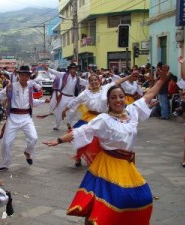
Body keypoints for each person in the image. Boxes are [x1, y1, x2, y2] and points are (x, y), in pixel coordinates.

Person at [43, 65, 170, 225]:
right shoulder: (104, 119)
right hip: (109, 163)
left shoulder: (131, 112)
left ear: (125, 98)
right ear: (108, 101)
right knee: (110, 200)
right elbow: (82, 131)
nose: (118, 100)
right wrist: (59, 140)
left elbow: (150, 94)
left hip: (127, 164)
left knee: (142, 198)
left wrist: (163, 79)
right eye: (114, 98)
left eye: (121, 97)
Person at [62, 72, 138, 167]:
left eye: (96, 80)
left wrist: (130, 76)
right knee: (83, 136)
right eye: (91, 80)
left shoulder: (106, 89)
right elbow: (75, 101)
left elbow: (118, 81)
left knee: (100, 140)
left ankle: (98, 158)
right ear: (89, 83)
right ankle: (78, 157)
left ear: (99, 81)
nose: (94, 82)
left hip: (103, 117)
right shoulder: (85, 93)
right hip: (89, 117)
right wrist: (64, 109)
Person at [0, 65, 50, 171]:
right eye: (22, 75)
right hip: (13, 117)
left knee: (34, 138)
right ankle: (5, 163)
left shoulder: (30, 87)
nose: (24, 78)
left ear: (29, 76)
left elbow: (31, 102)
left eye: (26, 75)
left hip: (26, 117)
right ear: (19, 75)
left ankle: (27, 152)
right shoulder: (11, 87)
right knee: (6, 142)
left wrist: (43, 101)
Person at [43, 63, 89, 130]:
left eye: (75, 69)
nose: (74, 70)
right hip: (63, 96)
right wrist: (47, 69)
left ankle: (69, 123)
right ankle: (56, 125)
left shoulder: (77, 78)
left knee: (73, 111)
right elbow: (56, 72)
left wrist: (94, 80)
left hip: (72, 97)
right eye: (72, 68)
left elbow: (85, 82)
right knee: (59, 111)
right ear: (69, 69)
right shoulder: (64, 75)